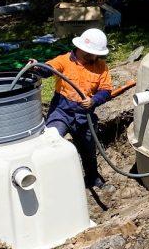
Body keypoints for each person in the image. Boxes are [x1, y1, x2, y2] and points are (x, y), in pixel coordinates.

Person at [43, 28, 113, 190]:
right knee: (51, 140)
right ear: (84, 50)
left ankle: (93, 178)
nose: (96, 57)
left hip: (84, 114)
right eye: (94, 53)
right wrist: (37, 68)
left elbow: (106, 90)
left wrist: (94, 100)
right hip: (61, 110)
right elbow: (48, 68)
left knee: (88, 149)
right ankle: (53, 182)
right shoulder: (64, 60)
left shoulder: (101, 67)